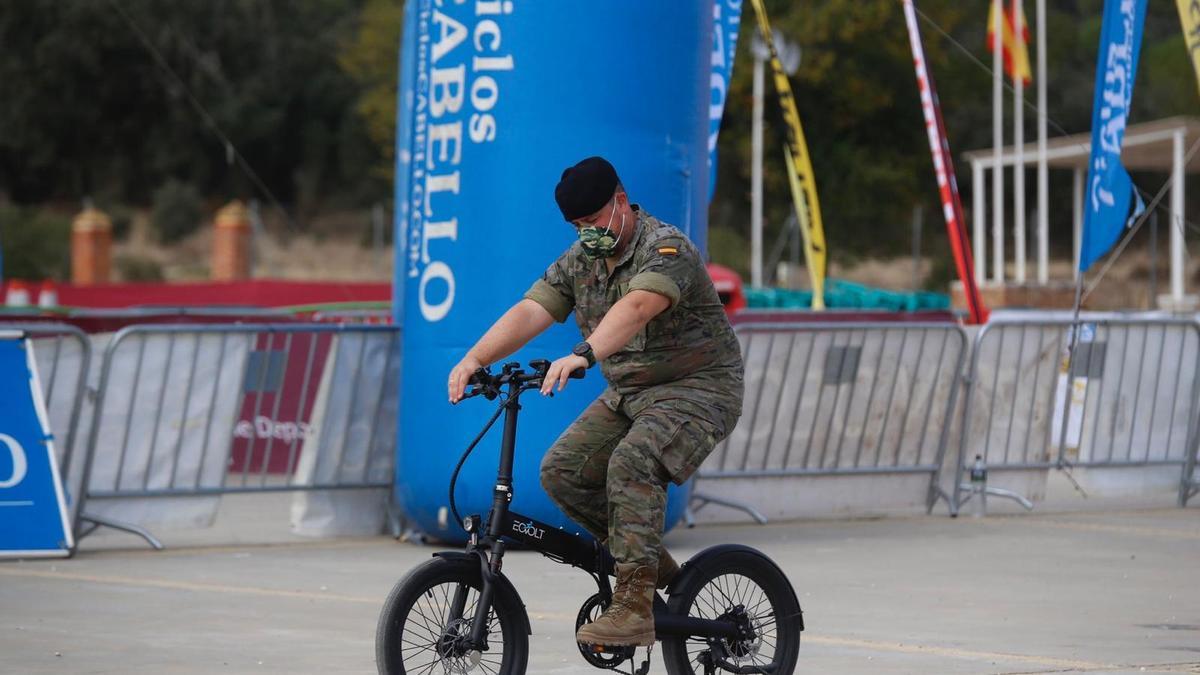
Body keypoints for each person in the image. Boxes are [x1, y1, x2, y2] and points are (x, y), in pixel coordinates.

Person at [447, 156, 744, 647]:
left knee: (632, 463)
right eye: (578, 226)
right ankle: (647, 569)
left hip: (698, 390)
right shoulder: (580, 260)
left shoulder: (666, 247)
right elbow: (532, 310)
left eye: (594, 221)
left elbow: (638, 306)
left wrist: (584, 353)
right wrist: (474, 358)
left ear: (621, 201)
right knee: (563, 471)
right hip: (632, 393)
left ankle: (633, 608)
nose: (588, 234)